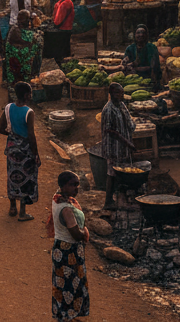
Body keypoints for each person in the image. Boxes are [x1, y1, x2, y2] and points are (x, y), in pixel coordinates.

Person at [0, 81, 40, 221]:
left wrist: (12, 137)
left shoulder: (8, 108)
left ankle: (12, 207)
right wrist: (36, 154)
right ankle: (22, 212)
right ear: (27, 95)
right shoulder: (29, 112)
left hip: (11, 148)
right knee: (26, 178)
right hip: (25, 151)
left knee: (12, 176)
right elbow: (31, 136)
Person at [51, 171, 91, 321]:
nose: (76, 188)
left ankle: (67, 315)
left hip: (61, 248)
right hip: (69, 251)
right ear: (63, 186)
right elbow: (75, 233)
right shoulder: (66, 209)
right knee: (70, 286)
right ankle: (67, 316)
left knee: (65, 284)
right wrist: (84, 233)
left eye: (77, 185)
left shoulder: (58, 198)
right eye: (72, 185)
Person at [100, 83, 136, 209]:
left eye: (121, 93)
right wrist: (127, 142)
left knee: (119, 172)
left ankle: (120, 197)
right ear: (111, 94)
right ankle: (108, 201)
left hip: (122, 146)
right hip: (113, 146)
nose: (120, 95)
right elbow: (110, 130)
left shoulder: (121, 105)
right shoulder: (108, 110)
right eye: (117, 93)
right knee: (112, 173)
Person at [5, 10, 41, 94]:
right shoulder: (15, 30)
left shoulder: (22, 29)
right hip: (16, 61)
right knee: (15, 82)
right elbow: (25, 41)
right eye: (27, 19)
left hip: (22, 61)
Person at [50, 0, 75, 66]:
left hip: (64, 28)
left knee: (63, 47)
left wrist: (55, 25)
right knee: (65, 45)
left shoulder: (65, 4)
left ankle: (62, 62)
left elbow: (59, 20)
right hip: (66, 28)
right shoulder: (61, 3)